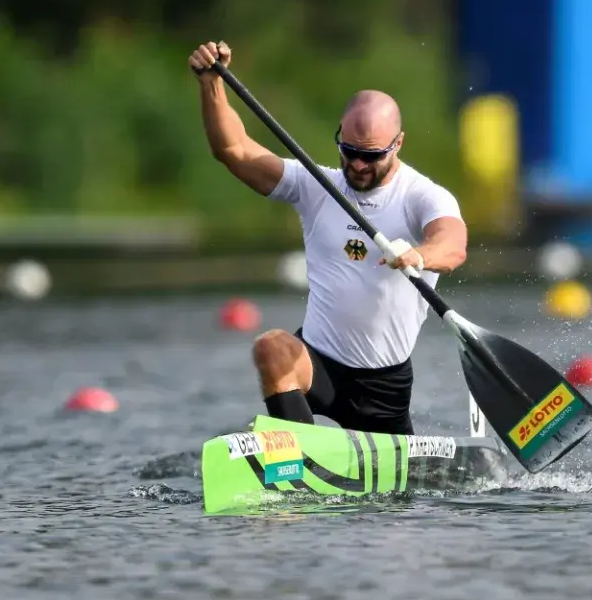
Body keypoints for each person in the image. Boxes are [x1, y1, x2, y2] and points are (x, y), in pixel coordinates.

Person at [189, 40, 468, 435]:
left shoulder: (422, 196)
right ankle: (298, 459)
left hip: (383, 388)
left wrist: (418, 256)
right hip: (318, 361)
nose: (357, 165)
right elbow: (233, 150)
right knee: (271, 347)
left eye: (371, 156)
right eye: (349, 150)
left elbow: (453, 245)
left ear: (398, 144)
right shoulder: (317, 186)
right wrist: (211, 84)